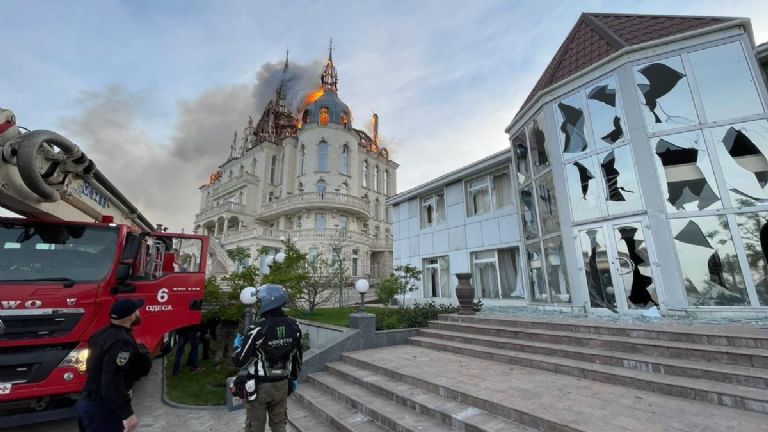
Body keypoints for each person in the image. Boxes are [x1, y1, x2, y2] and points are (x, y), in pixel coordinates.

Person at [232, 284, 303, 432]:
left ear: (266, 303)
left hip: (259, 387)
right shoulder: (295, 326)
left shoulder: (257, 329)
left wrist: (236, 346)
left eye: (260, 301)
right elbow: (298, 356)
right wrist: (293, 378)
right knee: (279, 426)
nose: (258, 304)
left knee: (255, 427)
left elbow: (239, 360)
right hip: (282, 384)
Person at [76, 298, 152, 432]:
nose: (139, 312)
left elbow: (93, 367)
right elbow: (111, 379)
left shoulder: (100, 334)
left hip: (86, 402)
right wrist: (127, 413)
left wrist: (126, 387)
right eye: (137, 310)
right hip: (102, 409)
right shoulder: (121, 343)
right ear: (130, 316)